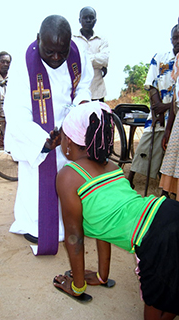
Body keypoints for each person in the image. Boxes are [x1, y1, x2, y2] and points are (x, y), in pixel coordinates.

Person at [53, 101, 179, 319]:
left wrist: (78, 286)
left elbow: (74, 237)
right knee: (173, 290)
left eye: (62, 136)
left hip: (156, 238)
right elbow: (105, 229)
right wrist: (102, 276)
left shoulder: (68, 176)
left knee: (157, 302)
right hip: (167, 210)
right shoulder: (109, 166)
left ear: (69, 142)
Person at [3, 15, 93, 255]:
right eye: (50, 51)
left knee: (70, 179)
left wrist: (80, 109)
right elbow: (16, 110)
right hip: (38, 134)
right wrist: (42, 140)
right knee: (37, 184)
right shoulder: (24, 64)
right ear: (38, 39)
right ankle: (35, 226)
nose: (56, 58)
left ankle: (69, 225)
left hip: (69, 130)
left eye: (61, 52)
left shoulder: (78, 54)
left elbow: (84, 85)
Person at [128, 24, 179, 189]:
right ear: (171, 39)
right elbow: (151, 85)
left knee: (171, 151)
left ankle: (167, 188)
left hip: (175, 112)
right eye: (175, 37)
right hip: (159, 112)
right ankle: (131, 178)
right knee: (147, 142)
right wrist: (158, 105)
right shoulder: (160, 58)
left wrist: (168, 107)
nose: (178, 41)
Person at [73, 6, 109, 102]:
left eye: (91, 17)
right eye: (85, 18)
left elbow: (105, 59)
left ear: (95, 20)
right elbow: (72, 60)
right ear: (80, 20)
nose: (88, 20)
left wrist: (83, 59)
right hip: (78, 93)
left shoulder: (102, 40)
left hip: (98, 91)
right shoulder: (73, 40)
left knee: (99, 117)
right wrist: (97, 63)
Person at [159, 31, 179, 200]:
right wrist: (168, 130)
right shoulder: (177, 61)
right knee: (172, 160)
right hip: (177, 118)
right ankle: (166, 198)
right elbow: (175, 97)